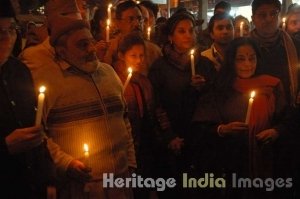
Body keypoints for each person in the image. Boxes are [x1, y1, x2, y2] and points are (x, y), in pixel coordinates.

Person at [31, 11, 136, 199]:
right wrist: (66, 163)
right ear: (62, 51)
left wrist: (130, 162)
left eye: (91, 42)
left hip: (120, 179)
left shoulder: (109, 73)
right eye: (82, 45)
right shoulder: (49, 80)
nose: (91, 49)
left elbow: (124, 120)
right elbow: (39, 134)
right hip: (83, 185)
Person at [188, 37, 287, 199]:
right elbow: (201, 126)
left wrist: (276, 131)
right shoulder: (221, 86)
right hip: (230, 163)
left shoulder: (272, 85)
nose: (247, 64)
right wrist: (222, 130)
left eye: (252, 58)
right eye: (241, 59)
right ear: (231, 61)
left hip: (266, 160)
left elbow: (285, 119)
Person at [148, 10, 216, 199]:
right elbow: (156, 104)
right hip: (173, 138)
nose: (188, 35)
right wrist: (169, 136)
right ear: (170, 36)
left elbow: (214, 98)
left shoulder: (204, 64)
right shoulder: (160, 67)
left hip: (200, 138)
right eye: (181, 31)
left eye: (191, 30)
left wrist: (202, 88)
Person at [0, 1, 54, 198]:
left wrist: (49, 179)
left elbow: (36, 126)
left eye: (12, 29)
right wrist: (5, 146)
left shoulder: (20, 71)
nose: (6, 37)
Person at [113, 32, 158, 199]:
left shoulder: (143, 81)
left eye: (141, 56)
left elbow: (153, 111)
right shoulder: (114, 80)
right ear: (121, 56)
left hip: (145, 145)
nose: (139, 60)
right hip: (126, 146)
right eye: (133, 56)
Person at [103, 0, 162, 76]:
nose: (137, 24)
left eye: (139, 19)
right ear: (117, 23)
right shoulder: (108, 48)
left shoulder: (153, 51)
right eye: (130, 19)